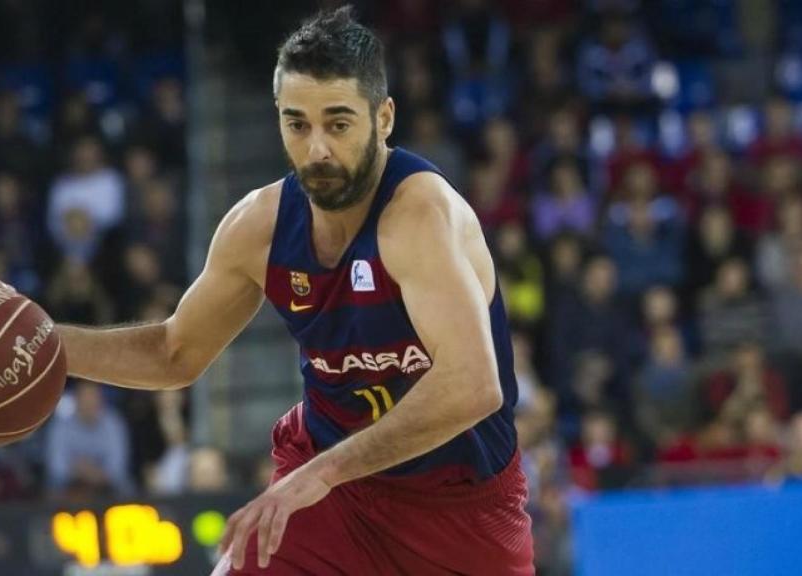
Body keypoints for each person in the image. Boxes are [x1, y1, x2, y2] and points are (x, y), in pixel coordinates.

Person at [28, 7, 532, 575]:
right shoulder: (257, 226)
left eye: (338, 124)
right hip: (329, 491)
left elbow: (472, 386)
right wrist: (43, 344)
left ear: (384, 118)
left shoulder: (418, 213)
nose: (317, 148)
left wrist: (322, 473)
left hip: (460, 505)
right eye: (298, 124)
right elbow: (175, 353)